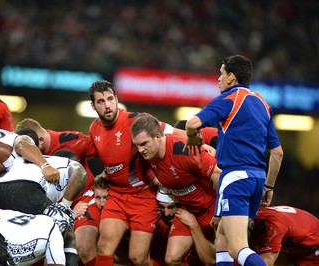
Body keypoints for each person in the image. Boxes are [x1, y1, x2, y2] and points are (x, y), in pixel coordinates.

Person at [185, 55, 284, 266]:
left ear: (231, 77)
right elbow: (277, 153)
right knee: (221, 239)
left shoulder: (230, 97)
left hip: (236, 177)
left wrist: (192, 137)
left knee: (238, 247)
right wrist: (269, 186)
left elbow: (192, 123)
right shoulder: (263, 103)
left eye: (221, 74)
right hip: (257, 180)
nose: (218, 79)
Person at [87, 80, 181, 266]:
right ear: (93, 105)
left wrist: (198, 140)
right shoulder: (94, 128)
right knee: (104, 248)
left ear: (116, 99)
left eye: (110, 99)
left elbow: (171, 133)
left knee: (137, 258)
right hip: (117, 196)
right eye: (100, 101)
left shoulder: (136, 121)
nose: (107, 105)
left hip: (143, 196)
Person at [130, 115, 221, 265]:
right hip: (187, 211)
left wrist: (221, 211)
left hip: (211, 209)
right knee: (171, 259)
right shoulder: (150, 153)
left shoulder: (185, 151)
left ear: (158, 137)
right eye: (137, 145)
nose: (140, 150)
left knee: (214, 260)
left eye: (144, 144)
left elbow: (218, 175)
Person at [249, 205, 319, 266]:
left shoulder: (272, 226)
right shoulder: (259, 216)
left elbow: (265, 263)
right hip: (298, 246)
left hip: (313, 248)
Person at [73, 175, 109, 266]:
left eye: (105, 198)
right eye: (98, 198)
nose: (102, 203)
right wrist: (71, 215)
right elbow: (85, 249)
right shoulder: (87, 208)